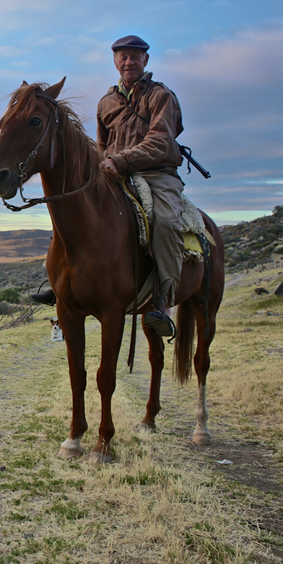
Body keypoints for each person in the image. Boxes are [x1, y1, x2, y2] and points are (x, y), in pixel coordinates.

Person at [96, 35, 185, 338]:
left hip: (157, 174)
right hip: (114, 175)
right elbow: (101, 144)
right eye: (123, 57)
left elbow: (161, 141)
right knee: (78, 212)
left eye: (135, 57)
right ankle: (64, 286)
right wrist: (101, 165)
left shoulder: (161, 96)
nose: (128, 62)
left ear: (145, 60)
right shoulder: (106, 102)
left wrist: (121, 160)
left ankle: (163, 299)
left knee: (165, 222)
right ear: (115, 61)